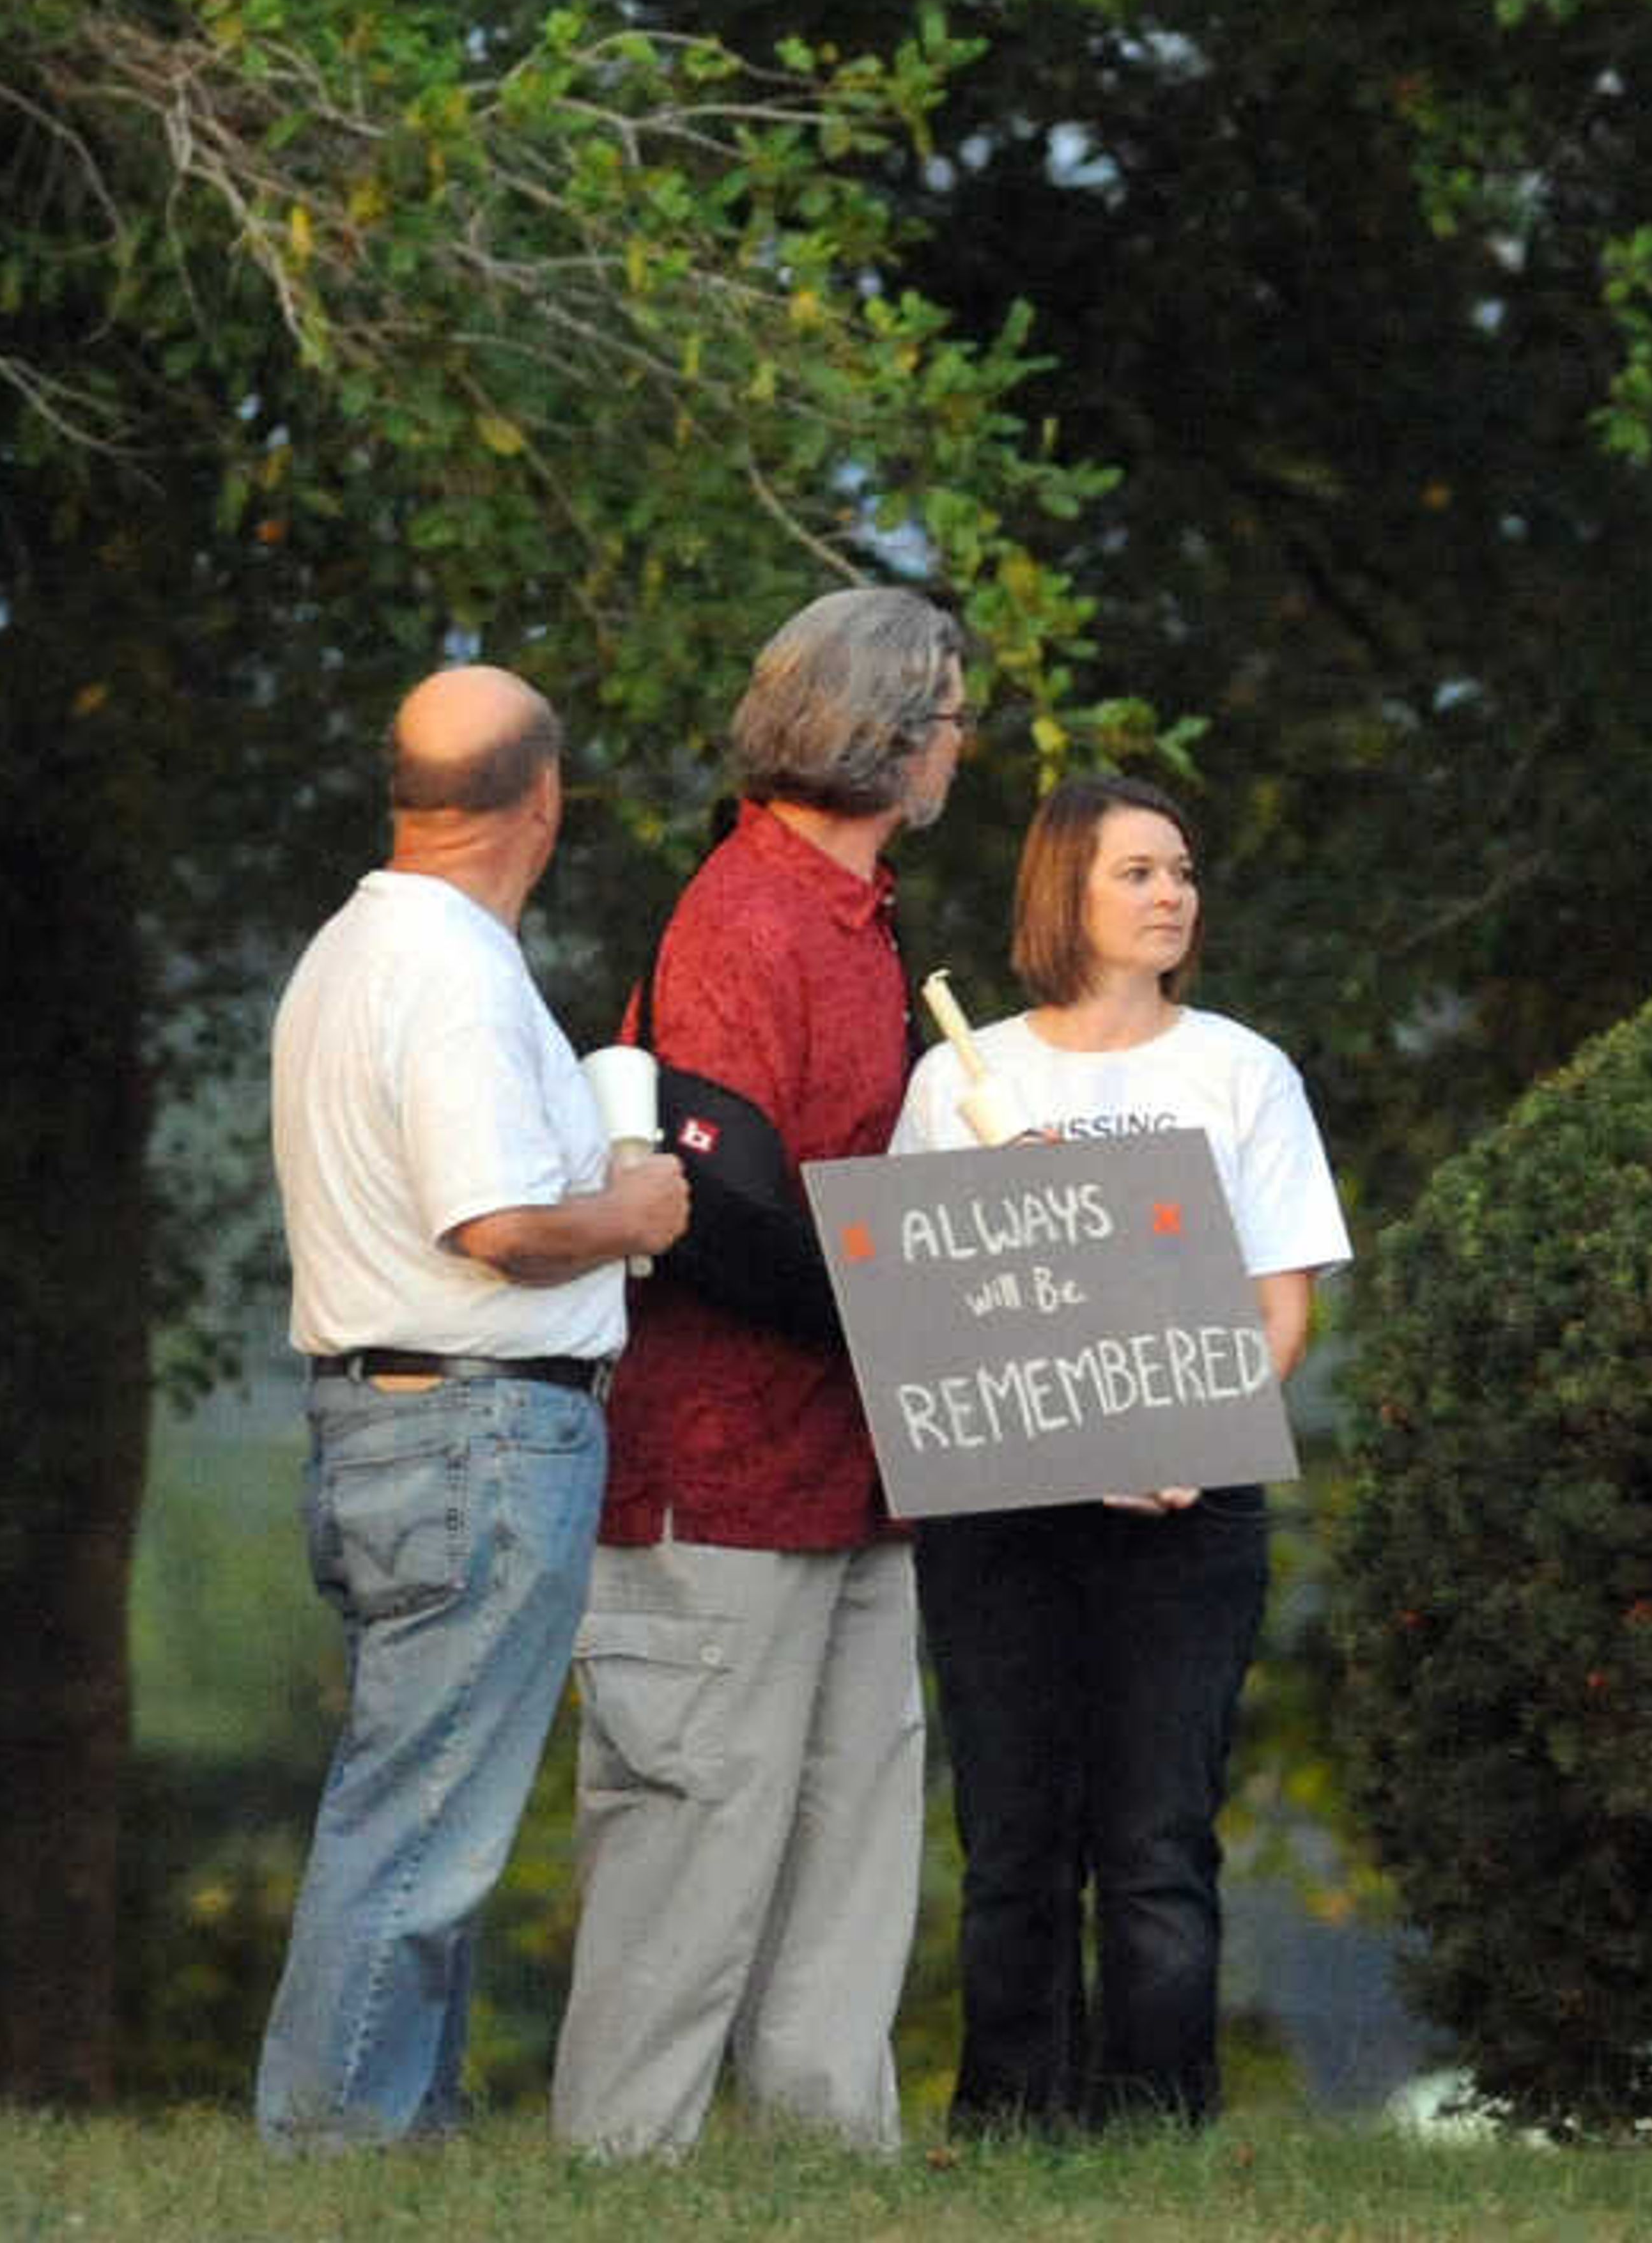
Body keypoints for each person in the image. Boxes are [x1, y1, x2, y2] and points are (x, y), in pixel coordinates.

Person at [550, 586, 971, 2159]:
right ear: (892, 731)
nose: (958, 751)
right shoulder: (745, 914)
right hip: (720, 1472)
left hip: (858, 1476)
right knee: (691, 1848)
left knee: (855, 1845)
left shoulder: (868, 927)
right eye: (951, 718)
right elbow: (714, 1215)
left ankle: (825, 2170)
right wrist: (915, 1307)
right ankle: (621, 2168)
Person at [256, 664, 690, 2151]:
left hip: (385, 1423)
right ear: (546, 801)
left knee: (406, 1793)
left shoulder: (349, 952)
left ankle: (404, 2125)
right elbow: (496, 1224)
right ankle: (337, 2146)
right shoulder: (451, 975)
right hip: (480, 1431)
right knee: (426, 1819)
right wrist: (631, 1210)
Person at [891, 772, 1351, 2134]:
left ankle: (1156, 2136)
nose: (1172, 895)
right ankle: (1008, 2129)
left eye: (1183, 872)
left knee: (1156, 1843)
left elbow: (1282, 1307)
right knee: (1015, 1843)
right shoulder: (962, 1080)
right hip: (1003, 1514)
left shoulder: (1239, 1070)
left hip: (1185, 1507)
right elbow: (930, 1310)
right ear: (1064, 893)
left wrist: (1179, 1439)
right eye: (1138, 872)